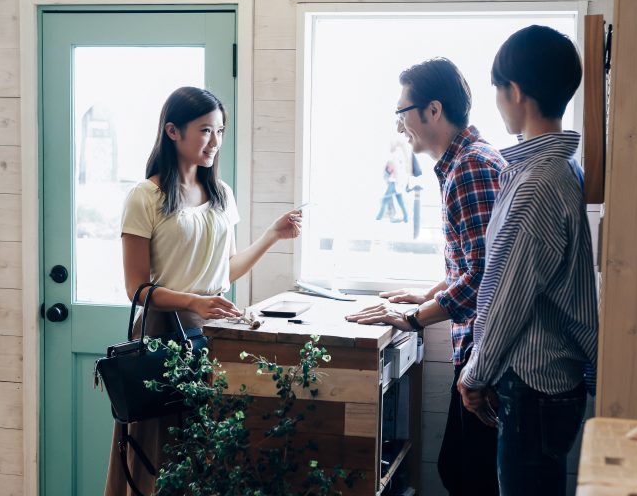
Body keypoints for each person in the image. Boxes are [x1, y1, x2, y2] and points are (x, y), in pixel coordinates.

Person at [104, 86, 302, 496]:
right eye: (206, 131)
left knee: (209, 452)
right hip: (163, 336)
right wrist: (195, 302)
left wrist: (271, 236)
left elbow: (224, 270)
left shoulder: (220, 193)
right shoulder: (146, 197)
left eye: (221, 131)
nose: (215, 142)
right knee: (158, 454)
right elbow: (136, 288)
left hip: (213, 335)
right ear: (173, 131)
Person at [346, 57, 506, 495]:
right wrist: (424, 295)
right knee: (458, 468)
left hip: (488, 350)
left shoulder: (471, 167)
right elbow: (469, 264)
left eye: (402, 113)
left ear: (433, 110)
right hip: (480, 346)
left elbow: (483, 279)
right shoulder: (463, 162)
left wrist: (415, 318)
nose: (399, 127)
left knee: (466, 474)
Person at [457, 25, 598, 496]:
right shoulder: (562, 170)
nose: (497, 102)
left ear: (514, 92)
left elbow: (506, 297)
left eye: (498, 90)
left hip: (534, 384)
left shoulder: (536, 184)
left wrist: (475, 373)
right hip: (554, 381)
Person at [375, 143, 409, 223]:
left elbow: (394, 169)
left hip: (393, 182)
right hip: (397, 182)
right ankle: (406, 217)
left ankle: (378, 217)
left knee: (384, 200)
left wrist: (393, 176)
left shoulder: (394, 155)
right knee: (400, 200)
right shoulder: (399, 155)